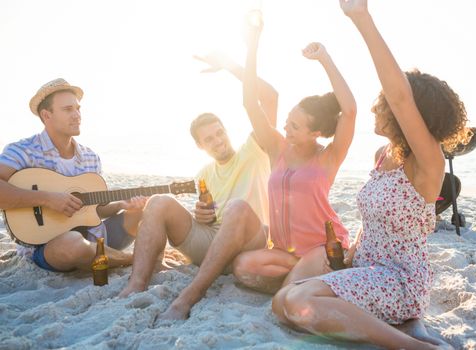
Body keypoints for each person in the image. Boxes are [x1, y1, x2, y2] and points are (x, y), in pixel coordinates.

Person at [271, 1, 470, 349]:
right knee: (281, 301)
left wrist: (361, 19)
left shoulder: (427, 164)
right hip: (365, 270)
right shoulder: (383, 157)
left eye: (385, 102)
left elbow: (400, 96)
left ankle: (415, 346)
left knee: (297, 303)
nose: (378, 105)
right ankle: (400, 330)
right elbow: (374, 222)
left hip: (398, 281)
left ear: (404, 112)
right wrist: (348, 258)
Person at [118, 53, 278, 321]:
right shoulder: (203, 174)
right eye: (209, 139)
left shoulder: (255, 150)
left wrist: (231, 66)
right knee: (158, 202)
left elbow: (271, 97)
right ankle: (136, 284)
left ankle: (187, 298)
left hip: (252, 239)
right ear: (200, 146)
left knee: (237, 208)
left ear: (227, 131)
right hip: (215, 245)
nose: (218, 141)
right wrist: (201, 217)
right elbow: (209, 218)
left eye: (220, 133)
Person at [231, 13, 357, 294]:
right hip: (286, 251)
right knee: (242, 267)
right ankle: (308, 276)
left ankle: (318, 271)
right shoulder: (277, 147)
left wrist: (324, 59)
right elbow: (250, 103)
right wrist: (252, 45)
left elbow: (349, 110)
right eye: (288, 119)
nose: (286, 127)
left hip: (324, 247)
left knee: (288, 290)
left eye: (295, 126)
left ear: (316, 133)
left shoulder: (328, 157)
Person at [0, 78, 147, 273]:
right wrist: (48, 199)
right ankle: (132, 259)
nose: (77, 115)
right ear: (46, 115)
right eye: (68, 109)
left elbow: (93, 210)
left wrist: (121, 205)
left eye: (78, 109)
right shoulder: (22, 151)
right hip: (49, 247)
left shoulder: (90, 157)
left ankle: (111, 255)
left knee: (147, 210)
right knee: (73, 244)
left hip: (95, 237)